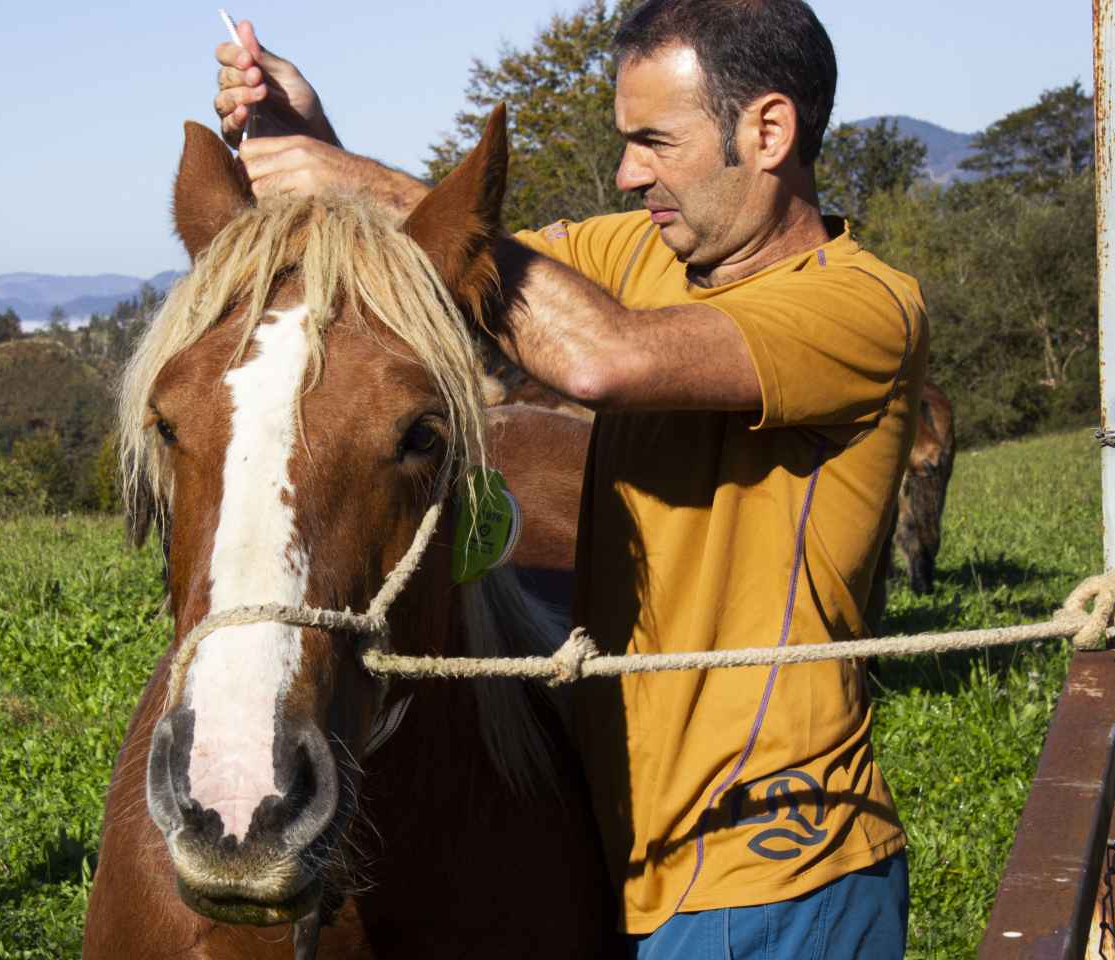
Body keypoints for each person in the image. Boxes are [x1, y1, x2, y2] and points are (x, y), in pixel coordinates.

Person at [213, 2, 921, 957]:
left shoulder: (861, 304)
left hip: (777, 875)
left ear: (768, 130)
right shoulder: (645, 252)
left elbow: (601, 358)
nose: (630, 173)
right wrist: (310, 139)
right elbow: (448, 257)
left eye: (652, 141)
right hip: (632, 856)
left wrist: (342, 177)